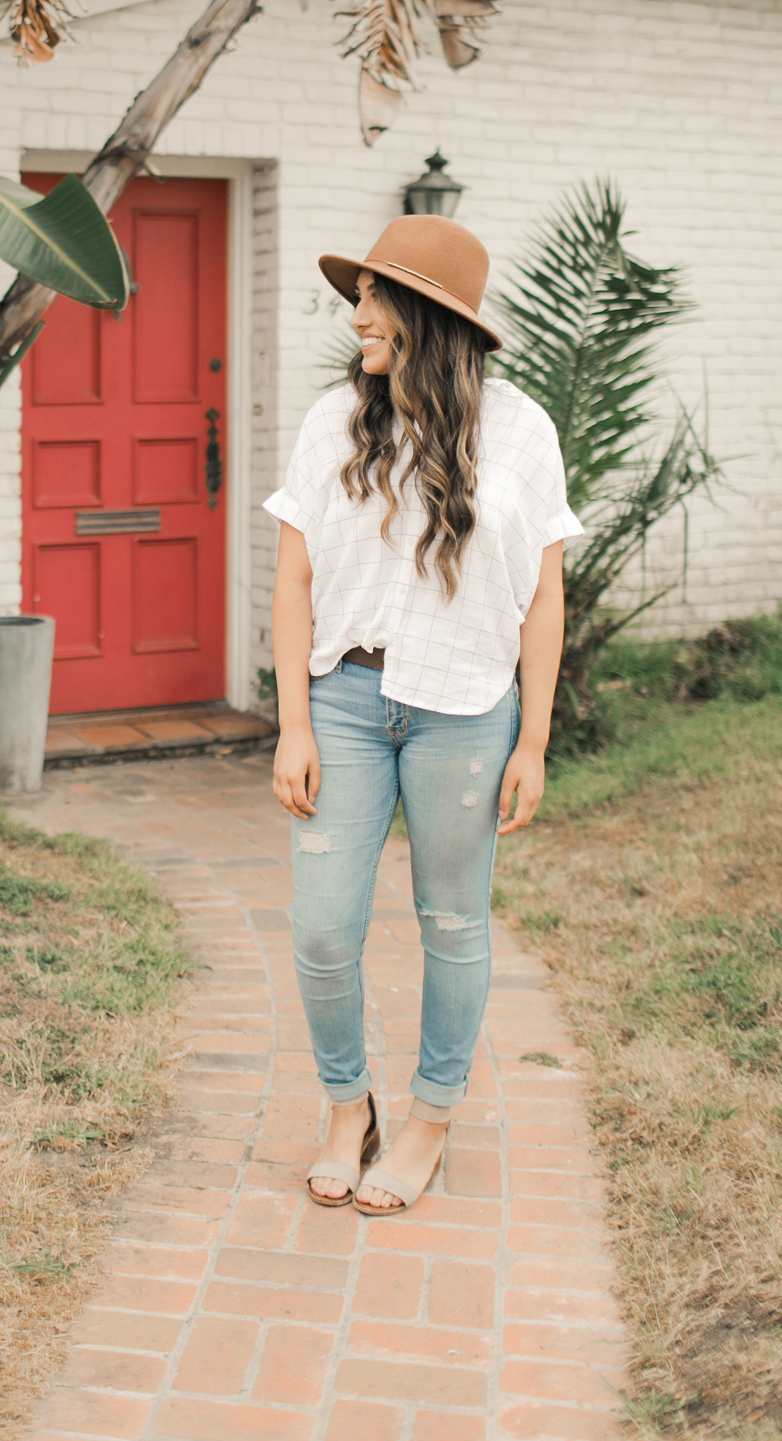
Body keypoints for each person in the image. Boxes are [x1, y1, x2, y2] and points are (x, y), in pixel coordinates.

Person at [265, 215, 581, 1214]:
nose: (357, 314)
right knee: (321, 930)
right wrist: (293, 723)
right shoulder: (331, 424)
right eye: (356, 296)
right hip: (347, 701)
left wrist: (533, 738)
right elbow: (293, 580)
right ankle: (345, 1105)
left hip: (466, 713)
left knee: (451, 922)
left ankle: (430, 1121)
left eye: (373, 297)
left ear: (428, 316)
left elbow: (545, 596)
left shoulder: (523, 433)